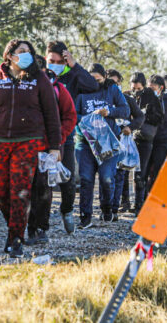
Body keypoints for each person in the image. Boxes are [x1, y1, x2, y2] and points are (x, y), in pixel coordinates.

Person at [0, 39, 61, 257]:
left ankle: (15, 238)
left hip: (28, 143)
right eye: (21, 51)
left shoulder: (39, 79)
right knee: (1, 192)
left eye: (29, 52)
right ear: (9, 55)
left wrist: (54, 146)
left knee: (20, 191)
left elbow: (52, 113)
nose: (26, 55)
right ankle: (15, 227)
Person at [45, 41, 98, 234]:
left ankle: (66, 210)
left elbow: (92, 86)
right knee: (43, 182)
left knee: (67, 182)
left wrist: (75, 66)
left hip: (65, 136)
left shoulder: (72, 76)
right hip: (41, 137)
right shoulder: (40, 75)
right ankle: (41, 222)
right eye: (52, 60)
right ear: (46, 58)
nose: (55, 64)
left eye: (60, 61)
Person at [26, 55, 77, 245]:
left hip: (49, 147)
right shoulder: (20, 87)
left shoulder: (57, 88)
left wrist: (57, 140)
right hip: (23, 145)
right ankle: (22, 227)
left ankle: (39, 229)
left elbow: (70, 116)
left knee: (43, 188)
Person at [75, 64, 129, 228]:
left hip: (106, 142)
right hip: (85, 142)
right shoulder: (80, 91)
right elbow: (72, 113)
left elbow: (125, 110)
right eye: (91, 79)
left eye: (98, 79)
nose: (94, 83)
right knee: (86, 179)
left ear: (104, 77)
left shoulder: (112, 90)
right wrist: (87, 118)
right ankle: (85, 216)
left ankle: (107, 208)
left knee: (106, 178)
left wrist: (109, 112)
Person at [107, 69, 145, 221]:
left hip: (122, 144)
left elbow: (140, 116)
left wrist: (131, 127)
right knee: (106, 177)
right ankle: (106, 207)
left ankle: (114, 210)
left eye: (117, 82)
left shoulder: (127, 100)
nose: (114, 85)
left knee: (119, 176)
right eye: (111, 82)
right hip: (104, 143)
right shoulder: (101, 98)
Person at [129, 72, 164, 213]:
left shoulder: (151, 97)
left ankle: (139, 204)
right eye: (134, 88)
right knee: (129, 172)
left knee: (141, 172)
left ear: (144, 86)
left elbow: (158, 118)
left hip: (144, 139)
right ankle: (128, 202)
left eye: (139, 88)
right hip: (130, 138)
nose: (136, 91)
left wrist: (143, 115)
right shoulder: (128, 96)